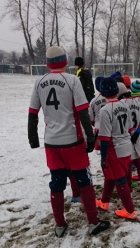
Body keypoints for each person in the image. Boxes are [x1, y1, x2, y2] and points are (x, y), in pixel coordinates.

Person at [28, 46, 110, 237]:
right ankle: (93, 222)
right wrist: (90, 137)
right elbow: (82, 111)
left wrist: (33, 138)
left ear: (47, 63)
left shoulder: (39, 82)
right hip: (73, 142)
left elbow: (33, 113)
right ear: (65, 61)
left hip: (52, 143)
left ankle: (59, 224)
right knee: (85, 181)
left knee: (56, 183)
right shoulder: (72, 80)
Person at [96, 77, 137, 220]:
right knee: (111, 176)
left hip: (115, 149)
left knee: (120, 180)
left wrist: (103, 157)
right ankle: (104, 201)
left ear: (102, 92)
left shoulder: (104, 110)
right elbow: (131, 128)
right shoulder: (125, 105)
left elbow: (105, 138)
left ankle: (130, 210)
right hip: (126, 146)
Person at [118, 82, 140, 192]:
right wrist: (137, 133)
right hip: (136, 136)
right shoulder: (137, 102)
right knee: (138, 161)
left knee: (127, 163)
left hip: (125, 137)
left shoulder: (120, 103)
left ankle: (129, 187)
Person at [88, 76, 106, 153]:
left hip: (99, 128)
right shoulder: (111, 98)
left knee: (103, 149)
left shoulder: (93, 101)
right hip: (112, 127)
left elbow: (91, 119)